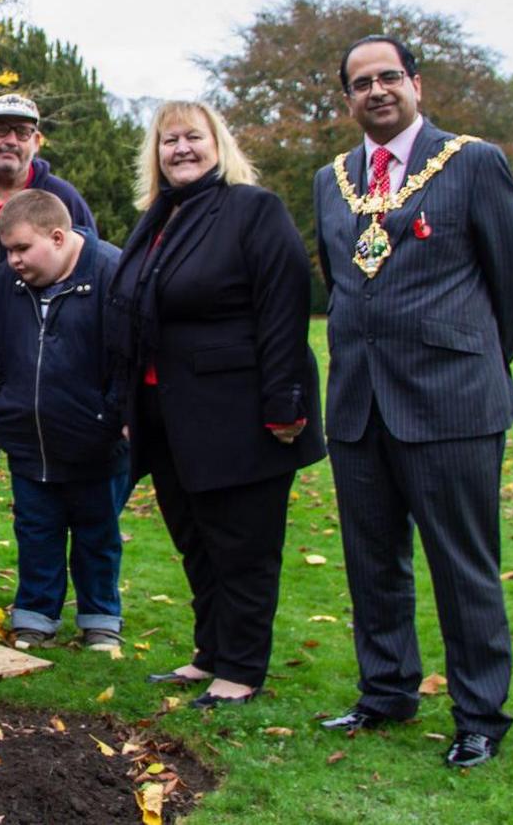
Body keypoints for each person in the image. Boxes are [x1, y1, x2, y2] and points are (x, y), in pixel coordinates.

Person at [313, 35, 513, 768]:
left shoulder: (472, 162)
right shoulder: (333, 179)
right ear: (346, 99)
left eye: (388, 77)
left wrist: (472, 364)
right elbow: (341, 279)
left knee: (461, 564)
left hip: (451, 403)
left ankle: (479, 716)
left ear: (416, 83)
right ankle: (386, 693)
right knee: (372, 561)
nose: (376, 90)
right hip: (356, 402)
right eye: (360, 83)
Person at [108, 100, 325, 709]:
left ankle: (243, 666)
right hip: (168, 416)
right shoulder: (160, 218)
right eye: (168, 140)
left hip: (240, 415)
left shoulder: (253, 211)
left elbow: (284, 310)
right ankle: (210, 652)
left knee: (243, 546)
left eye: (193, 137)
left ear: (218, 143)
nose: (181, 148)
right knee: (196, 542)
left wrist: (286, 403)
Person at [0, 190, 127, 651]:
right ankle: (36, 616)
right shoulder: (9, 280)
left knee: (97, 531)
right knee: (35, 530)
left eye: (22, 249)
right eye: (8, 250)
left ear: (58, 237)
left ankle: (100, 617)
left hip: (95, 438)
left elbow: (129, 352)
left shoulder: (111, 272)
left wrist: (115, 412)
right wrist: (0, 399)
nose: (13, 260)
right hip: (27, 434)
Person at [0, 93, 97, 544]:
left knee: (48, 488)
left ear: (36, 141)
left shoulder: (64, 201)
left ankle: (46, 593)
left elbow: (90, 277)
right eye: (1, 129)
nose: (11, 141)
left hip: (46, 373)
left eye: (22, 132)